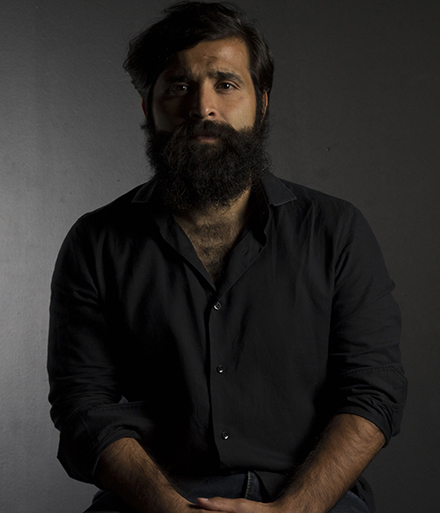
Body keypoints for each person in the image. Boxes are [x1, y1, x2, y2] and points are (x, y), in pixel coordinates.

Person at [48, 2, 407, 512]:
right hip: (153, 501)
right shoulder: (95, 242)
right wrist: (169, 507)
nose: (203, 107)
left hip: (308, 499)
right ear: (147, 108)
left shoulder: (336, 231)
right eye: (178, 86)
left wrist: (293, 510)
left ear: (262, 102)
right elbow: (82, 405)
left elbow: (374, 390)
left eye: (226, 84)